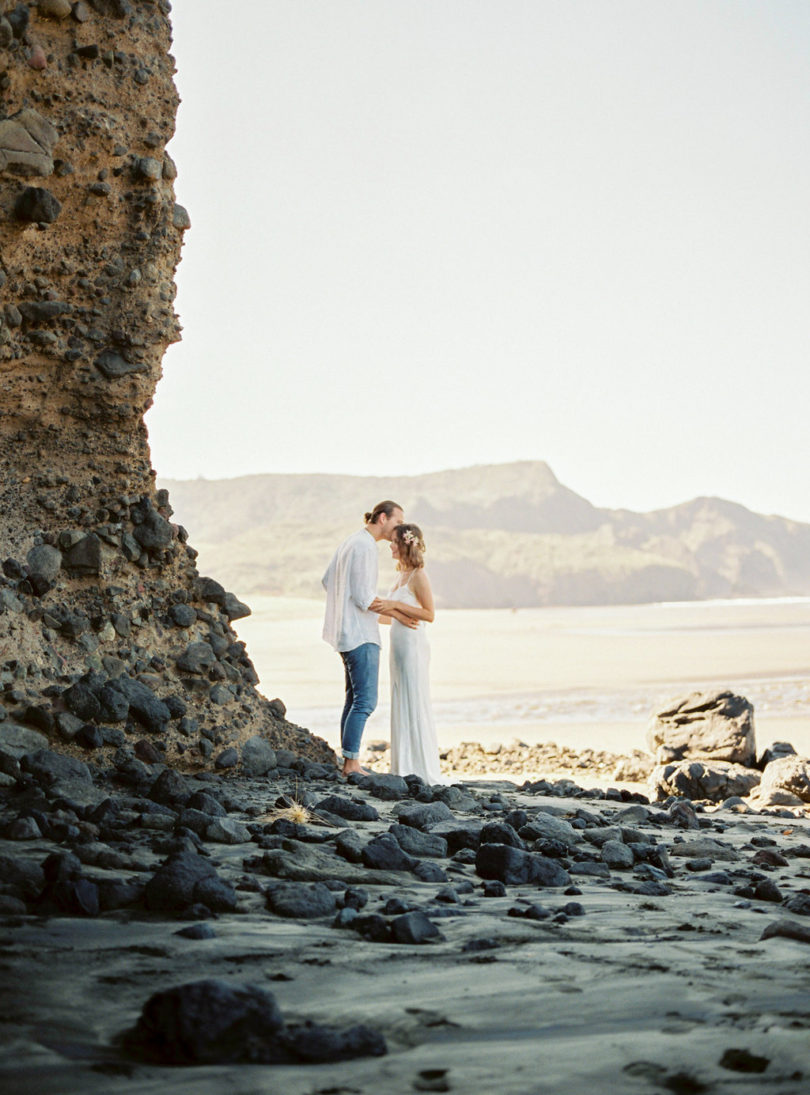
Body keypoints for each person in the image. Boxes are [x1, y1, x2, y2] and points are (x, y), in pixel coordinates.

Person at [322, 500, 405, 776]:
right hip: (360, 634)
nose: (399, 528)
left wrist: (342, 605)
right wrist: (398, 611)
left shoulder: (350, 541)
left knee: (353, 699)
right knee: (365, 701)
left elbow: (327, 580)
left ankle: (349, 760)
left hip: (345, 631)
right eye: (396, 523)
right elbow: (364, 597)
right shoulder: (365, 546)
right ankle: (351, 764)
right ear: (382, 518)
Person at [370, 523, 445, 785]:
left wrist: (394, 605)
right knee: (400, 698)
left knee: (414, 698)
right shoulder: (400, 575)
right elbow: (388, 619)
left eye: (393, 541)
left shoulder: (418, 575)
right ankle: (402, 767)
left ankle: (421, 769)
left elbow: (429, 615)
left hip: (413, 646)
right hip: (398, 647)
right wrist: (392, 610)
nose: (389, 546)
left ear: (404, 544)